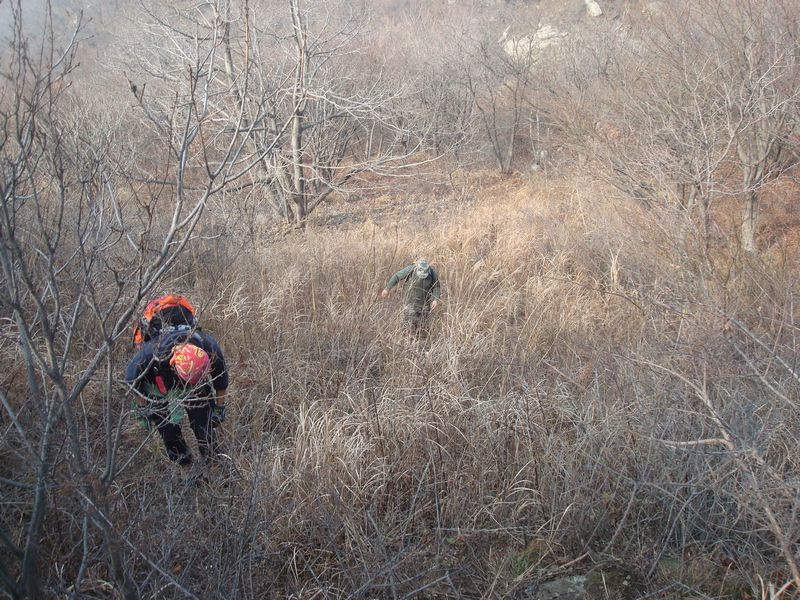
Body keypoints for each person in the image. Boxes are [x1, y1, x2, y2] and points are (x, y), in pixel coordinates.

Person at [125, 326, 228, 467]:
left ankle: (213, 459)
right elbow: (132, 380)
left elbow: (220, 379)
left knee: (205, 424)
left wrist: (219, 408)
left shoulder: (209, 347)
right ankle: (186, 466)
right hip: (158, 385)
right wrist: (144, 409)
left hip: (194, 382)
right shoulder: (148, 356)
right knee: (169, 433)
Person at [381, 258, 441, 333]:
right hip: (410, 301)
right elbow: (397, 276)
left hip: (425, 303)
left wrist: (436, 299)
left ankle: (420, 341)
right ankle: (405, 339)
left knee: (423, 326)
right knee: (408, 324)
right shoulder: (411, 269)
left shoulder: (432, 273)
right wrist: (387, 289)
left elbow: (436, 286)